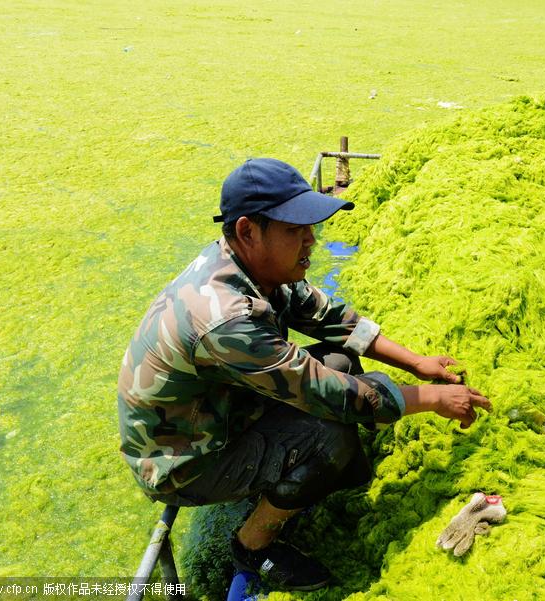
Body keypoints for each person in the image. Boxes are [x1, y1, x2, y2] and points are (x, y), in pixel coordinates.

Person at [117, 158, 491, 591]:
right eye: (295, 230)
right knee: (330, 433)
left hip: (220, 412)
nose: (311, 240)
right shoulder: (224, 317)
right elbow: (320, 392)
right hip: (185, 460)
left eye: (310, 228)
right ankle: (252, 546)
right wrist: (430, 399)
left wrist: (416, 362)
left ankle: (318, 480)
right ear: (247, 231)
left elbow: (329, 316)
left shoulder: (251, 266)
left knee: (338, 359)